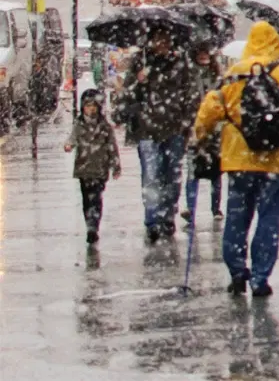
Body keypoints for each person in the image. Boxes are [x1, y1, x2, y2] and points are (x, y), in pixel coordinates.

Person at [192, 21, 279, 298]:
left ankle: (237, 272)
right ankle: (261, 277)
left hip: (238, 158)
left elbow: (209, 111)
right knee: (269, 217)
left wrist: (200, 136)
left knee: (237, 217)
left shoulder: (232, 74)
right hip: (275, 159)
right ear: (276, 43)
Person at [111, 27, 195, 243]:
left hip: (174, 127)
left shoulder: (180, 63)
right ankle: (152, 220)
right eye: (158, 39)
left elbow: (189, 94)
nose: (162, 43)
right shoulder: (141, 63)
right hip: (147, 129)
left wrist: (188, 122)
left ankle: (168, 216)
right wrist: (139, 82)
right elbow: (127, 96)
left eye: (166, 39)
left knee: (171, 175)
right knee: (151, 175)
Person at [63, 89, 121, 243]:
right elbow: (72, 138)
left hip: (99, 168)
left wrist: (115, 165)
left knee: (96, 198)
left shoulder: (104, 127)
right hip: (84, 169)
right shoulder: (79, 124)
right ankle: (89, 222)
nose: (91, 109)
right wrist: (68, 145)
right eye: (88, 106)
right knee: (86, 199)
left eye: (94, 106)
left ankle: (93, 226)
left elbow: (112, 146)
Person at [183, 45, 224, 223]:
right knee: (193, 170)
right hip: (194, 127)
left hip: (215, 129)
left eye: (206, 52)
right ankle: (190, 208)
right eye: (199, 51)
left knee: (216, 171)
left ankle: (216, 208)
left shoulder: (218, 77)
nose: (203, 55)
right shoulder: (189, 76)